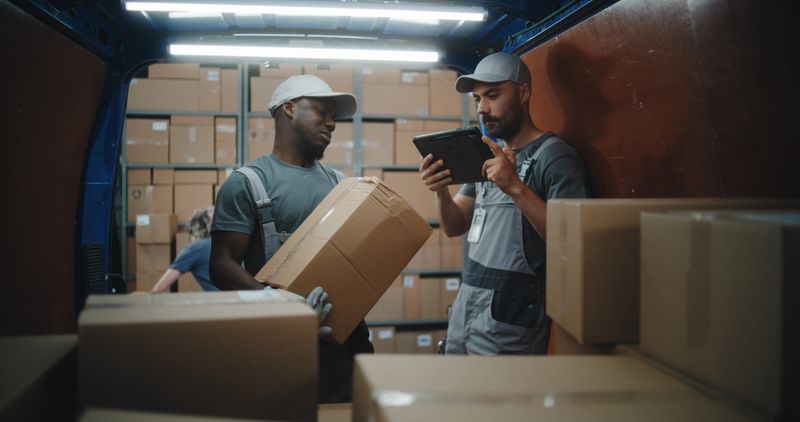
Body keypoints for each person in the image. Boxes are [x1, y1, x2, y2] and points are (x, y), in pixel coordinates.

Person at [209, 74, 374, 403]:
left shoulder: (340, 185)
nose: (332, 123)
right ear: (289, 109)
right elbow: (221, 263)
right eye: (322, 112)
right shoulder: (248, 183)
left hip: (344, 344)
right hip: (280, 346)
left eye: (334, 116)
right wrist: (280, 305)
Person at [419, 52, 588, 355]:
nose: (482, 109)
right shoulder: (487, 155)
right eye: (477, 99)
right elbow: (454, 225)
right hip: (466, 305)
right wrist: (440, 190)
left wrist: (515, 187)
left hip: (512, 315)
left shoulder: (555, 157)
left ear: (524, 93)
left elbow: (571, 241)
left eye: (493, 96)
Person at [151, 206, 218, 293]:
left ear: (195, 227)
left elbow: (158, 289)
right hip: (239, 300)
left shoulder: (196, 248)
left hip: (222, 303)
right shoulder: (232, 245)